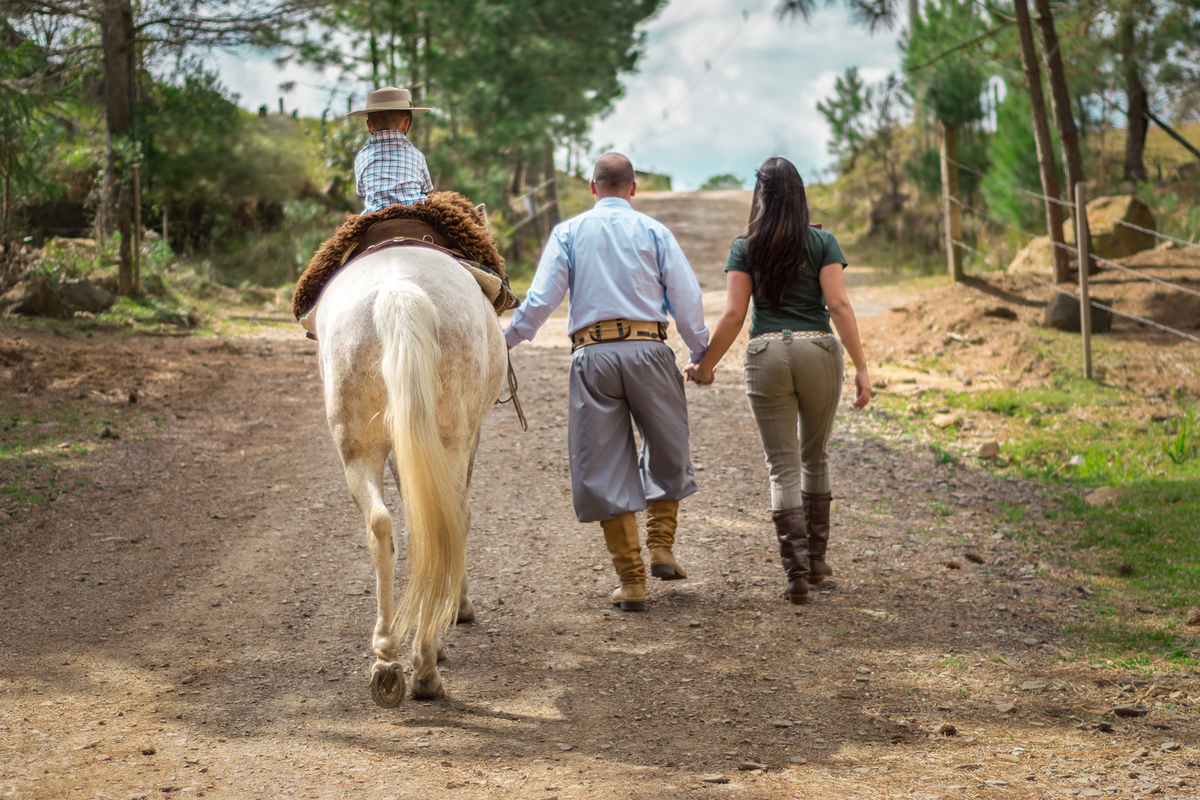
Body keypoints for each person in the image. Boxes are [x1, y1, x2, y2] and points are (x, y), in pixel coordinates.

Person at [505, 153, 710, 612]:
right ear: (634, 189)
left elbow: (541, 300)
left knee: (602, 463)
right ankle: (660, 545)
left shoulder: (570, 232)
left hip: (592, 354)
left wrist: (508, 340)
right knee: (667, 444)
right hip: (649, 348)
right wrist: (701, 353)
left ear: (593, 189)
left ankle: (633, 580)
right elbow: (686, 298)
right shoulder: (656, 232)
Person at [684, 156, 871, 605]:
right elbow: (840, 306)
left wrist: (706, 365)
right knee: (815, 456)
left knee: (782, 466)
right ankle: (818, 560)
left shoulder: (744, 246)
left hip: (766, 352)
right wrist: (863, 367)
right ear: (800, 194)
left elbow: (733, 314)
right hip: (819, 350)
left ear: (759, 196)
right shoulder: (822, 241)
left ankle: (795, 575)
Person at [349, 87, 434, 213]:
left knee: (350, 232)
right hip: (413, 214)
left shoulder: (362, 157)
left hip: (375, 216)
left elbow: (362, 193)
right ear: (406, 124)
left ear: (369, 125)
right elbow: (426, 190)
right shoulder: (416, 155)